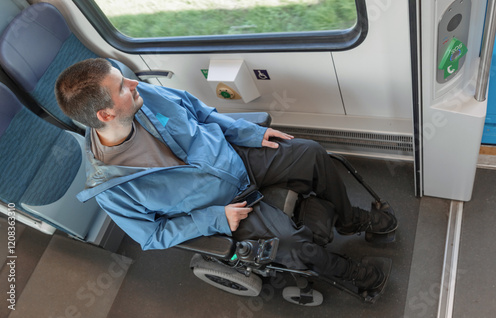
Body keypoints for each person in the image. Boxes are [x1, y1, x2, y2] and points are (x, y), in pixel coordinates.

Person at [55, 58, 397, 292]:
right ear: (106, 112)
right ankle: (351, 274)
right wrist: (214, 219)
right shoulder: (109, 188)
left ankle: (349, 219)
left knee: (311, 154)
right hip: (224, 205)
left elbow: (202, 114)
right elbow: (152, 236)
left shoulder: (147, 97)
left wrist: (247, 134)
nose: (133, 83)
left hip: (236, 158)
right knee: (293, 246)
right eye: (122, 87)